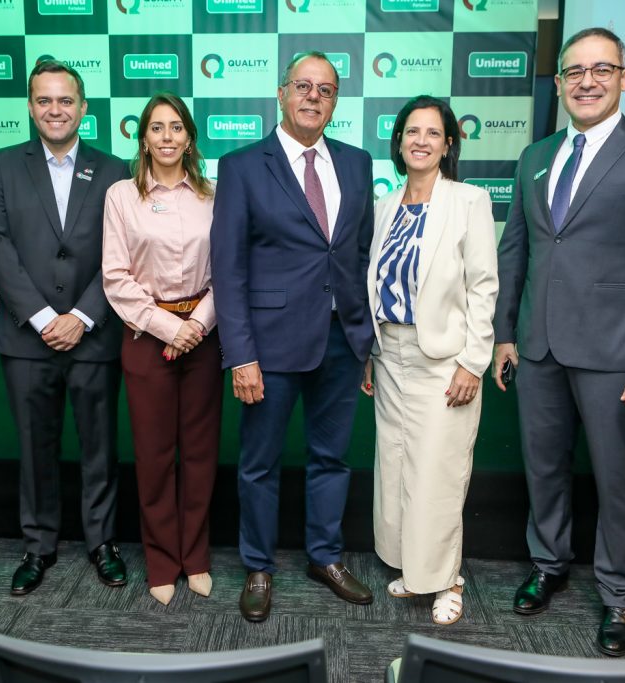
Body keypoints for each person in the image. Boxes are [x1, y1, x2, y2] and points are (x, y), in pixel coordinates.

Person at [492, 28, 625, 656]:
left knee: (617, 479)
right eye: (574, 71)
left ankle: (619, 596)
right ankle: (548, 564)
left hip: (619, 355)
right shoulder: (535, 156)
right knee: (544, 468)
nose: (587, 81)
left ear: (623, 77)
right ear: (558, 83)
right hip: (539, 348)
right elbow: (518, 252)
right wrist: (506, 334)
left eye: (600, 69)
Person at [211, 51, 376, 623]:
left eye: (325, 89)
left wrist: (366, 341)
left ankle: (324, 556)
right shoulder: (241, 165)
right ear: (281, 95)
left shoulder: (357, 163)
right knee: (259, 462)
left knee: (332, 458)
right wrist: (240, 354)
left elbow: (356, 256)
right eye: (302, 87)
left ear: (336, 100)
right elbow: (227, 268)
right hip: (270, 343)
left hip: (340, 339)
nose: (313, 97)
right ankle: (258, 565)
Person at [0, 60, 130, 596]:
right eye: (44, 100)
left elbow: (121, 252)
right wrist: (45, 318)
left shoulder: (114, 169)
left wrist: (82, 317)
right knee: (33, 446)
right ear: (29, 106)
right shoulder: (1, 165)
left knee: (99, 447)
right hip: (27, 337)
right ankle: (38, 545)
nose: (55, 110)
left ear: (83, 107)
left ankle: (102, 542)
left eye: (65, 100)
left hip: (94, 334)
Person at [361, 96, 498, 625]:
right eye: (411, 132)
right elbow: (379, 286)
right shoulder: (387, 204)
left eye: (432, 133)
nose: (420, 140)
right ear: (398, 142)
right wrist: (373, 352)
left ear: (448, 144)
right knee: (396, 465)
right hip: (390, 354)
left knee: (440, 471)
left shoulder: (468, 201)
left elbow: (483, 288)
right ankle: (413, 566)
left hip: (445, 358)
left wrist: (472, 362)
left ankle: (448, 581)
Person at [102, 92, 221, 606]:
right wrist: (166, 329)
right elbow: (115, 275)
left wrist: (195, 324)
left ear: (190, 137)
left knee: (199, 455)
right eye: (157, 128)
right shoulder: (120, 196)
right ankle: (161, 561)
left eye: (176, 127)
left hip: (204, 337)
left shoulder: (214, 194)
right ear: (143, 137)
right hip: (145, 340)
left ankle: (194, 558)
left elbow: (229, 271)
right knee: (153, 457)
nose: (168, 136)